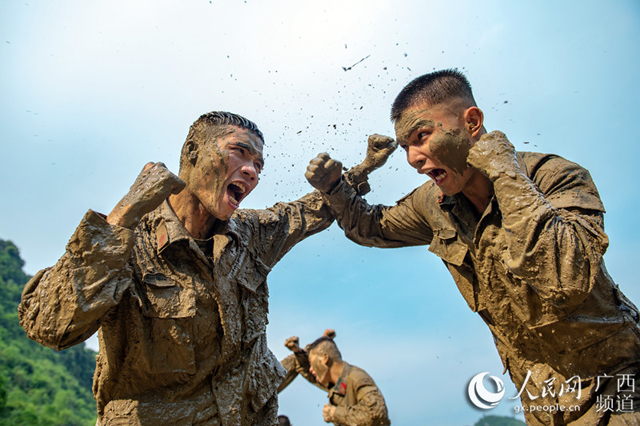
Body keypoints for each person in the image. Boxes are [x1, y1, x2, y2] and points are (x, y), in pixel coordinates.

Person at [305, 70, 640, 425]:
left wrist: (503, 171)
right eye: (406, 147)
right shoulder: (433, 203)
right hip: (542, 403)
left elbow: (565, 279)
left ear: (472, 122)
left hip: (618, 388)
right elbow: (371, 226)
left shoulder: (555, 177)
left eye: (422, 136)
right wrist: (334, 187)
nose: (413, 158)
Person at [17, 112, 393, 426]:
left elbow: (311, 209)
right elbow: (49, 326)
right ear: (192, 153)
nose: (251, 171)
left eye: (258, 165)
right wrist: (124, 214)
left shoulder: (252, 234)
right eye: (239, 154)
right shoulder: (128, 243)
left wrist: (364, 167)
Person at [278, 329, 391, 426]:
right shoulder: (337, 383)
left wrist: (335, 413)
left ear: (325, 359)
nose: (311, 369)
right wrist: (298, 352)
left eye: (312, 364)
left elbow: (376, 414)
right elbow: (307, 371)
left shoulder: (356, 378)